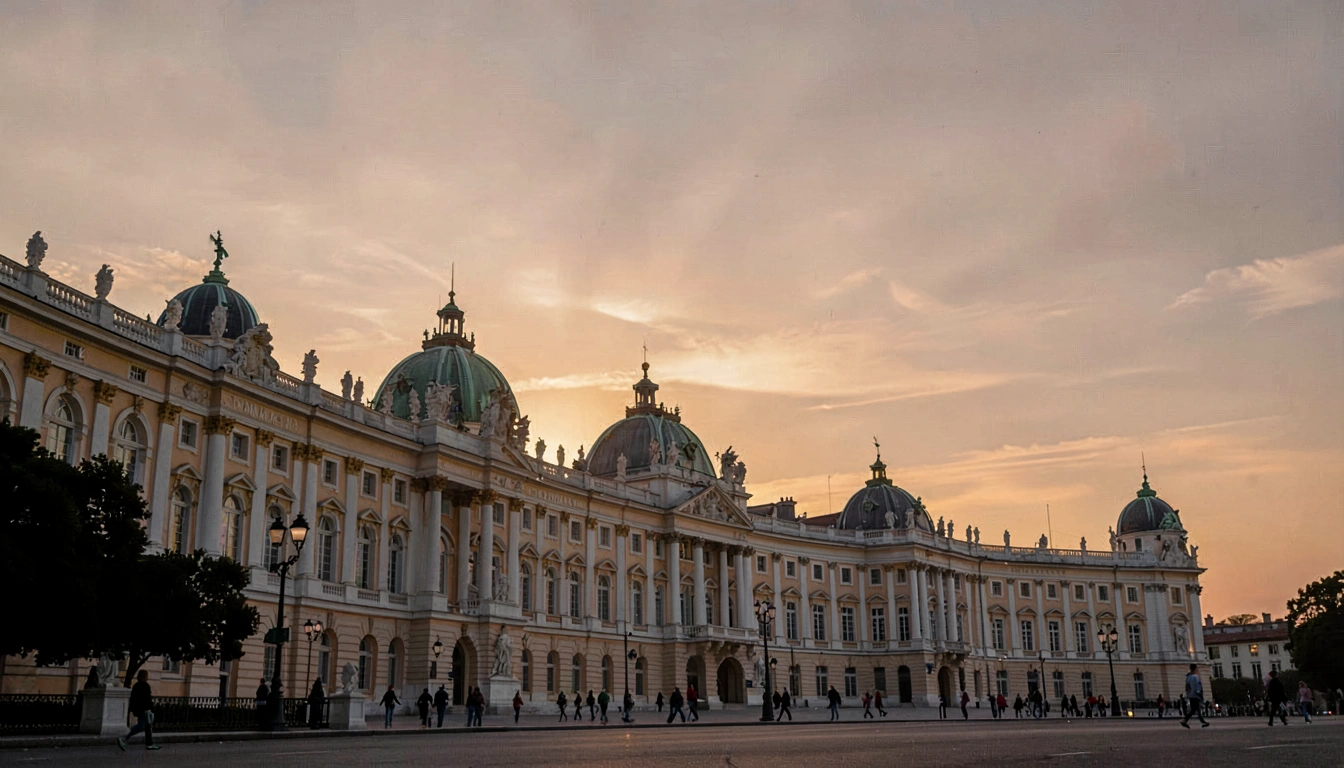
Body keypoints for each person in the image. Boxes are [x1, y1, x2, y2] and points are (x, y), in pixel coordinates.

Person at [116, 670, 159, 751]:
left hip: (139, 709)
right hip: (145, 710)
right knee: (142, 726)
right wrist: (151, 708)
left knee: (147, 727)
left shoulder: (136, 685)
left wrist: (133, 709)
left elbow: (133, 699)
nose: (148, 677)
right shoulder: (145, 686)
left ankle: (149, 743)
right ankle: (124, 738)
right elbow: (147, 699)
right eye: (147, 675)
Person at [1180, 664, 1209, 728]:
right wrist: (1199, 694)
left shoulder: (1188, 677)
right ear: (1195, 669)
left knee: (1197, 709)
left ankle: (1203, 721)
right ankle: (1185, 720)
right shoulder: (1195, 677)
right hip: (1195, 695)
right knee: (1194, 709)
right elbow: (1196, 686)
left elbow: (1187, 687)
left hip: (1190, 695)